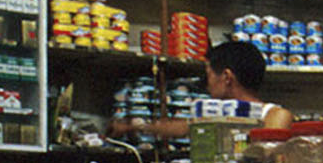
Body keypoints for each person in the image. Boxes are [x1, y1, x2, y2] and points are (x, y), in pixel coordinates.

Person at [111, 38, 293, 139]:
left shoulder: (275, 116)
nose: (207, 82)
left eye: (209, 74)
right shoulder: (214, 113)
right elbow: (180, 127)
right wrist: (129, 127)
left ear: (227, 77)